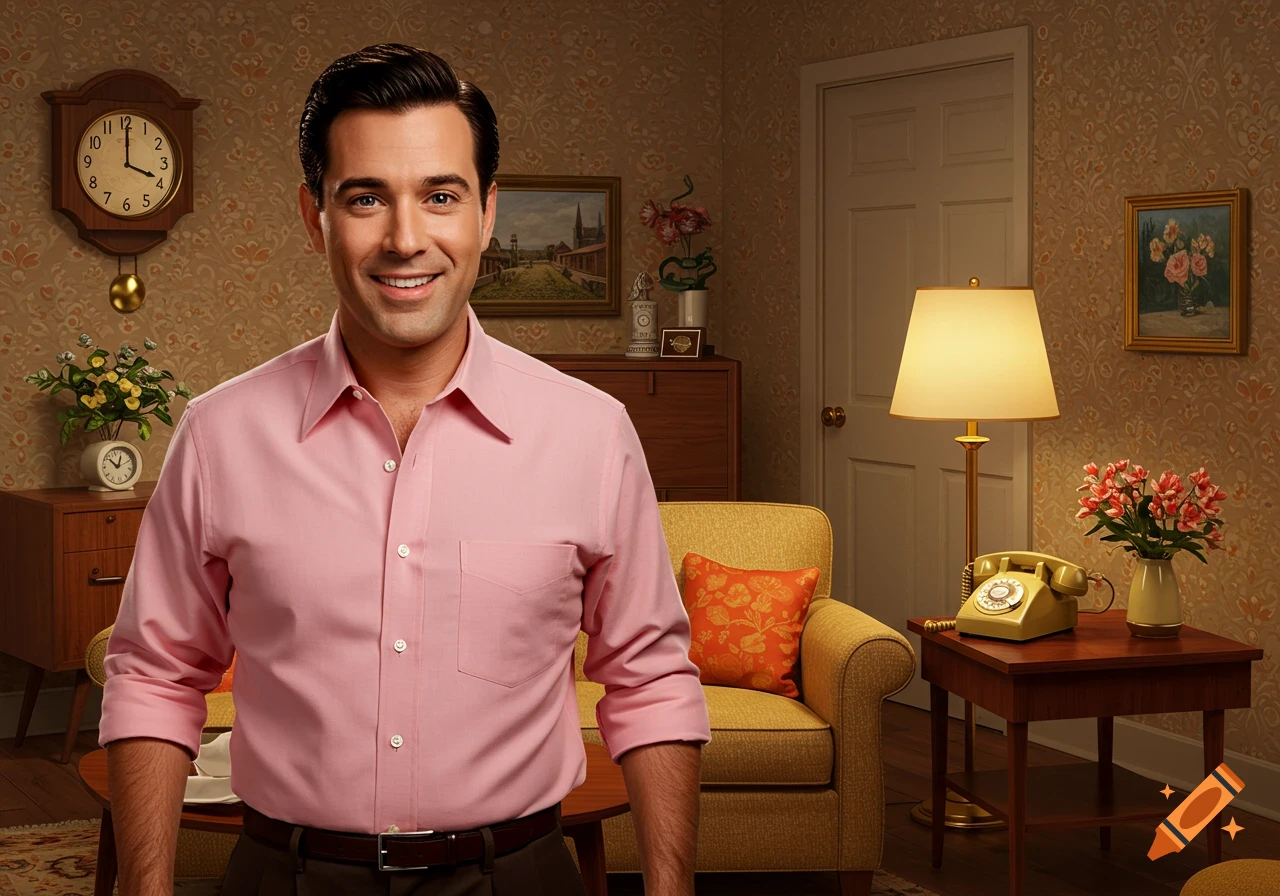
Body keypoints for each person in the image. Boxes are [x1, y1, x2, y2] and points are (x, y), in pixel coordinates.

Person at [98, 43, 711, 896]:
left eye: (441, 195)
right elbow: (155, 676)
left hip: (520, 875)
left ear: (487, 214)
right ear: (314, 217)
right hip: (287, 876)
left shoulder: (591, 434)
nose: (405, 238)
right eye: (365, 198)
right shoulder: (217, 436)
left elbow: (649, 679)